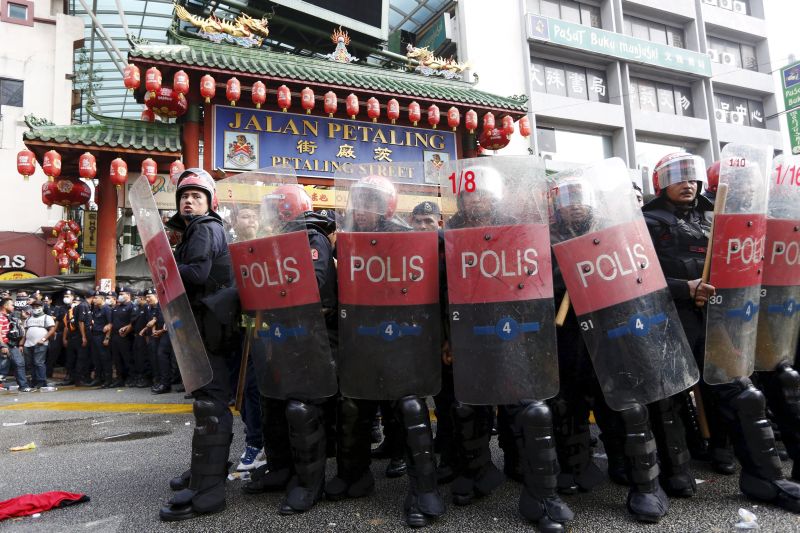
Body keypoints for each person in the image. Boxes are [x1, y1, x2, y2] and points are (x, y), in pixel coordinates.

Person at [643, 151, 800, 513]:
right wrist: (685, 288)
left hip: (716, 321)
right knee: (667, 400)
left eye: (692, 176)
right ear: (661, 182)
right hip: (668, 321)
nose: (687, 183)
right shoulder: (647, 222)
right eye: (677, 176)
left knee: (743, 394)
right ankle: (668, 474)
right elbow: (635, 278)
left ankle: (765, 476)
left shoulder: (717, 217)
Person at [329, 175, 445, 528]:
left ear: (386, 206)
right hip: (363, 335)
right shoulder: (345, 240)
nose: (363, 209)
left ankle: (424, 489)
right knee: (353, 403)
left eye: (371, 202)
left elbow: (430, 287)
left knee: (409, 406)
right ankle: (355, 475)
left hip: (404, 337)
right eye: (359, 201)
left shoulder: (407, 237)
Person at [239, 183, 337, 514]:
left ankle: (310, 482)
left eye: (275, 209)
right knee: (272, 401)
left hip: (309, 335)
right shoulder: (272, 242)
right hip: (277, 336)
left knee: (301, 407)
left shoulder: (312, 237)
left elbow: (315, 281)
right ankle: (281, 469)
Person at [159, 168, 236, 522]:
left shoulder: (205, 228)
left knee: (210, 405)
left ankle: (209, 493)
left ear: (208, 203)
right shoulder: (197, 231)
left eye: (196, 196)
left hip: (212, 329)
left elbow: (197, 275)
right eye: (184, 196)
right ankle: (206, 474)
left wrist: (163, 263)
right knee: (209, 402)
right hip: (206, 326)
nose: (189, 201)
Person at [57, 292, 90, 387]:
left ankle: (79, 379)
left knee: (81, 359)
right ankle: (71, 378)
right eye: (74, 301)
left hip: (79, 337)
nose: (75, 303)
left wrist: (84, 337)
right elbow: (66, 327)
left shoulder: (82, 310)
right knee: (70, 359)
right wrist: (64, 338)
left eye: (77, 302)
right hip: (72, 338)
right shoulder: (69, 312)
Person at [22, 300, 55, 389]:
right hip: (28, 344)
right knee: (31, 363)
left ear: (42, 307)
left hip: (41, 343)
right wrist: (22, 343)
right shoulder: (28, 319)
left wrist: (43, 339)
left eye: (37, 307)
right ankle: (34, 380)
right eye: (34, 307)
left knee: (39, 362)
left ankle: (42, 381)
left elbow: (52, 329)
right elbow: (25, 332)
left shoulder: (47, 317)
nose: (35, 308)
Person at [1, 297, 30, 391]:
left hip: (12, 344)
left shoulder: (9, 316)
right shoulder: (0, 317)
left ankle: (23, 386)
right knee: (2, 368)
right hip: (4, 345)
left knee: (19, 363)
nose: (13, 306)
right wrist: (2, 346)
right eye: (11, 304)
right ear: (5, 306)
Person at [110, 287, 135, 387]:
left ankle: (131, 378)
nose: (119, 296)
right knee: (117, 359)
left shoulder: (132, 306)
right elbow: (112, 322)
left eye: (122, 294)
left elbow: (133, 322)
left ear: (128, 295)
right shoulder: (116, 307)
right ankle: (120, 379)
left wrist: (127, 331)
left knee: (127, 358)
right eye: (119, 294)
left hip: (126, 336)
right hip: (115, 336)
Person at [89, 291, 113, 388]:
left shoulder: (107, 309)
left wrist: (107, 338)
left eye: (96, 298)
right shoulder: (96, 308)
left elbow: (110, 324)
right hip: (94, 335)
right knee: (96, 358)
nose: (94, 300)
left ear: (102, 299)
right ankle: (98, 378)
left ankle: (108, 380)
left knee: (105, 358)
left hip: (102, 336)